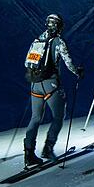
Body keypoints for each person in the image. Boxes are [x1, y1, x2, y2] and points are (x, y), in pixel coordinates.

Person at [22, 14, 82, 166]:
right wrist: (78, 72)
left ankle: (29, 153)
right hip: (50, 84)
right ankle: (48, 148)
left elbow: (26, 62)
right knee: (59, 116)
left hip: (35, 83)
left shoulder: (37, 40)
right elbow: (68, 62)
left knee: (35, 118)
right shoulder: (58, 42)